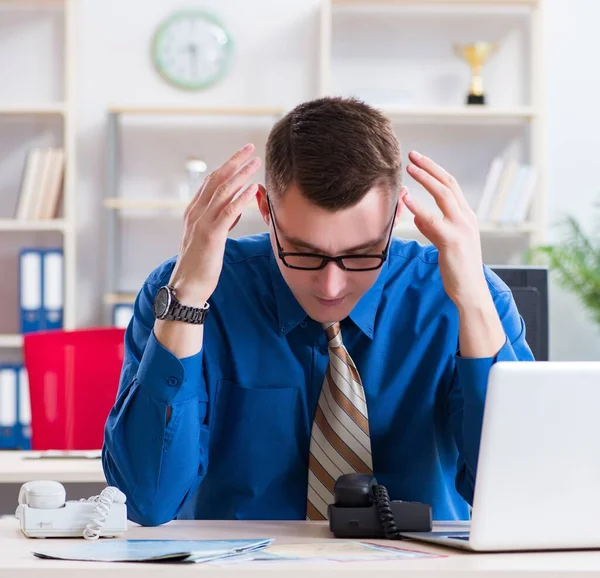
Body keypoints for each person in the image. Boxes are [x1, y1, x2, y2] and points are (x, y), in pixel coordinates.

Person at [102, 96, 533, 526]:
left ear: (398, 214)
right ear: (265, 210)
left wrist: (474, 303)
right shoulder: (184, 295)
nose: (331, 286)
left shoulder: (465, 298)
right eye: (303, 253)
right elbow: (146, 501)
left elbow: (522, 499)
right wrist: (187, 300)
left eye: (362, 254)